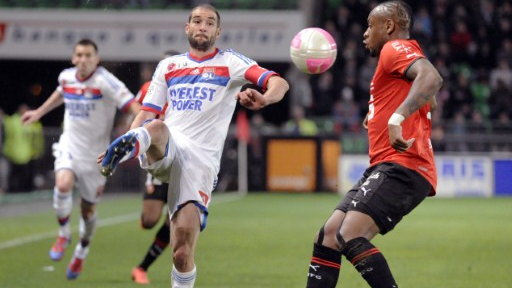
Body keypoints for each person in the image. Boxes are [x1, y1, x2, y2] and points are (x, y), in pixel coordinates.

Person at [98, 4, 289, 287]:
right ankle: (129, 144)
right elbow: (147, 111)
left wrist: (266, 98)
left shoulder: (231, 62)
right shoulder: (169, 66)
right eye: (197, 21)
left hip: (200, 163)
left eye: (209, 22)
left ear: (218, 31)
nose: (203, 26)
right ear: (187, 28)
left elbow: (278, 82)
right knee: (157, 126)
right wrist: (126, 135)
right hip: (169, 146)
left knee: (182, 252)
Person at [305, 1, 443, 288]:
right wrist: (381, 112)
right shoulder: (398, 59)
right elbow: (429, 97)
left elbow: (431, 78)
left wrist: (395, 117)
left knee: (349, 234)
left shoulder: (395, 48)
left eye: (371, 25)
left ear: (389, 26)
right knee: (329, 236)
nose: (365, 33)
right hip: (386, 164)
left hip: (404, 166)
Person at [21, 38, 140, 280]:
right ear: (73, 58)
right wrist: (39, 112)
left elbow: (133, 107)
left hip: (96, 157)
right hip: (70, 145)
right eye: (79, 55)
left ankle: (81, 252)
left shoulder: (106, 82)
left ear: (97, 59)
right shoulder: (66, 77)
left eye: (88, 56)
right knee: (62, 183)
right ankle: (64, 233)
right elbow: (59, 94)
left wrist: (134, 131)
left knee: (88, 211)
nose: (83, 60)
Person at [131, 50, 180, 285]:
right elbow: (137, 108)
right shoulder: (151, 87)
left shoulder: (188, 89)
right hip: (158, 159)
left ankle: (141, 268)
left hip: (182, 160)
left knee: (174, 226)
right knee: (150, 220)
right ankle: (148, 216)